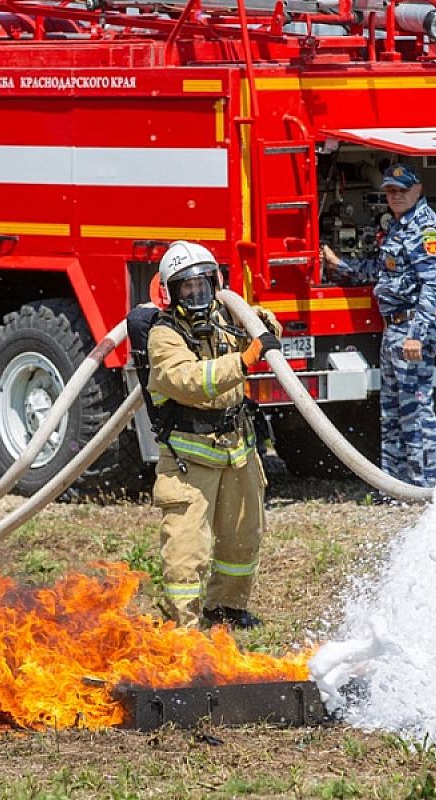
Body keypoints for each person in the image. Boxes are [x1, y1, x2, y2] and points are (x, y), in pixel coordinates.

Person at [147, 240, 281, 629]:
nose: (196, 294)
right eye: (186, 288)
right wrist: (244, 360)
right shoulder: (164, 336)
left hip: (238, 449)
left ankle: (227, 609)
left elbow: (264, 327)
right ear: (171, 293)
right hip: (190, 459)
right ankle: (184, 624)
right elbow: (187, 380)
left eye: (203, 284)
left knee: (242, 537)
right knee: (186, 547)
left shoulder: (225, 321)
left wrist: (259, 323)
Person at [320, 163, 436, 489]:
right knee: (391, 414)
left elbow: (433, 288)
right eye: (391, 191)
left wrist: (416, 336)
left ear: (418, 189)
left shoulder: (425, 230)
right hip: (393, 331)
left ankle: (423, 488)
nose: (396, 196)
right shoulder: (397, 226)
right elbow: (378, 270)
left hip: (411, 332)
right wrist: (339, 266)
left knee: (416, 414)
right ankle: (394, 489)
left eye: (402, 190)